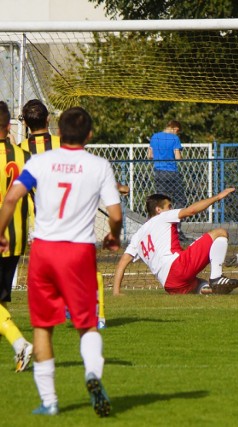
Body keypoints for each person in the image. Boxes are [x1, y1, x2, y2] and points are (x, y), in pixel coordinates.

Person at [0, 107, 123, 417]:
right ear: (90, 134)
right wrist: (113, 236)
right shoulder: (98, 165)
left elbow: (12, 197)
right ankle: (93, 375)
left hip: (44, 251)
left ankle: (50, 401)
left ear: (60, 131)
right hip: (79, 252)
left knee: (43, 326)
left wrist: (0, 232)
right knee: (86, 324)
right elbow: (117, 214)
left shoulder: (39, 161)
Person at [112, 190, 238, 296]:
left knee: (199, 284)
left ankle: (210, 288)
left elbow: (121, 265)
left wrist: (116, 292)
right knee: (220, 232)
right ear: (158, 210)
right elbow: (191, 211)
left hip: (170, 285)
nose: (171, 209)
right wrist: (218, 197)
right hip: (177, 267)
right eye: (169, 206)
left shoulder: (137, 237)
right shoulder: (163, 216)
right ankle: (216, 278)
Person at [0, 101, 33, 372]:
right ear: (8, 126)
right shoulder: (25, 156)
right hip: (17, 238)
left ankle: (20, 343)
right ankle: (18, 347)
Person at [148, 120, 188, 240]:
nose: (177, 134)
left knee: (161, 201)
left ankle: (161, 229)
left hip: (158, 173)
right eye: (177, 131)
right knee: (180, 200)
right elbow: (178, 158)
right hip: (172, 173)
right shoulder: (174, 139)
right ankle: (177, 228)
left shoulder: (155, 137)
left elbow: (149, 155)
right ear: (174, 128)